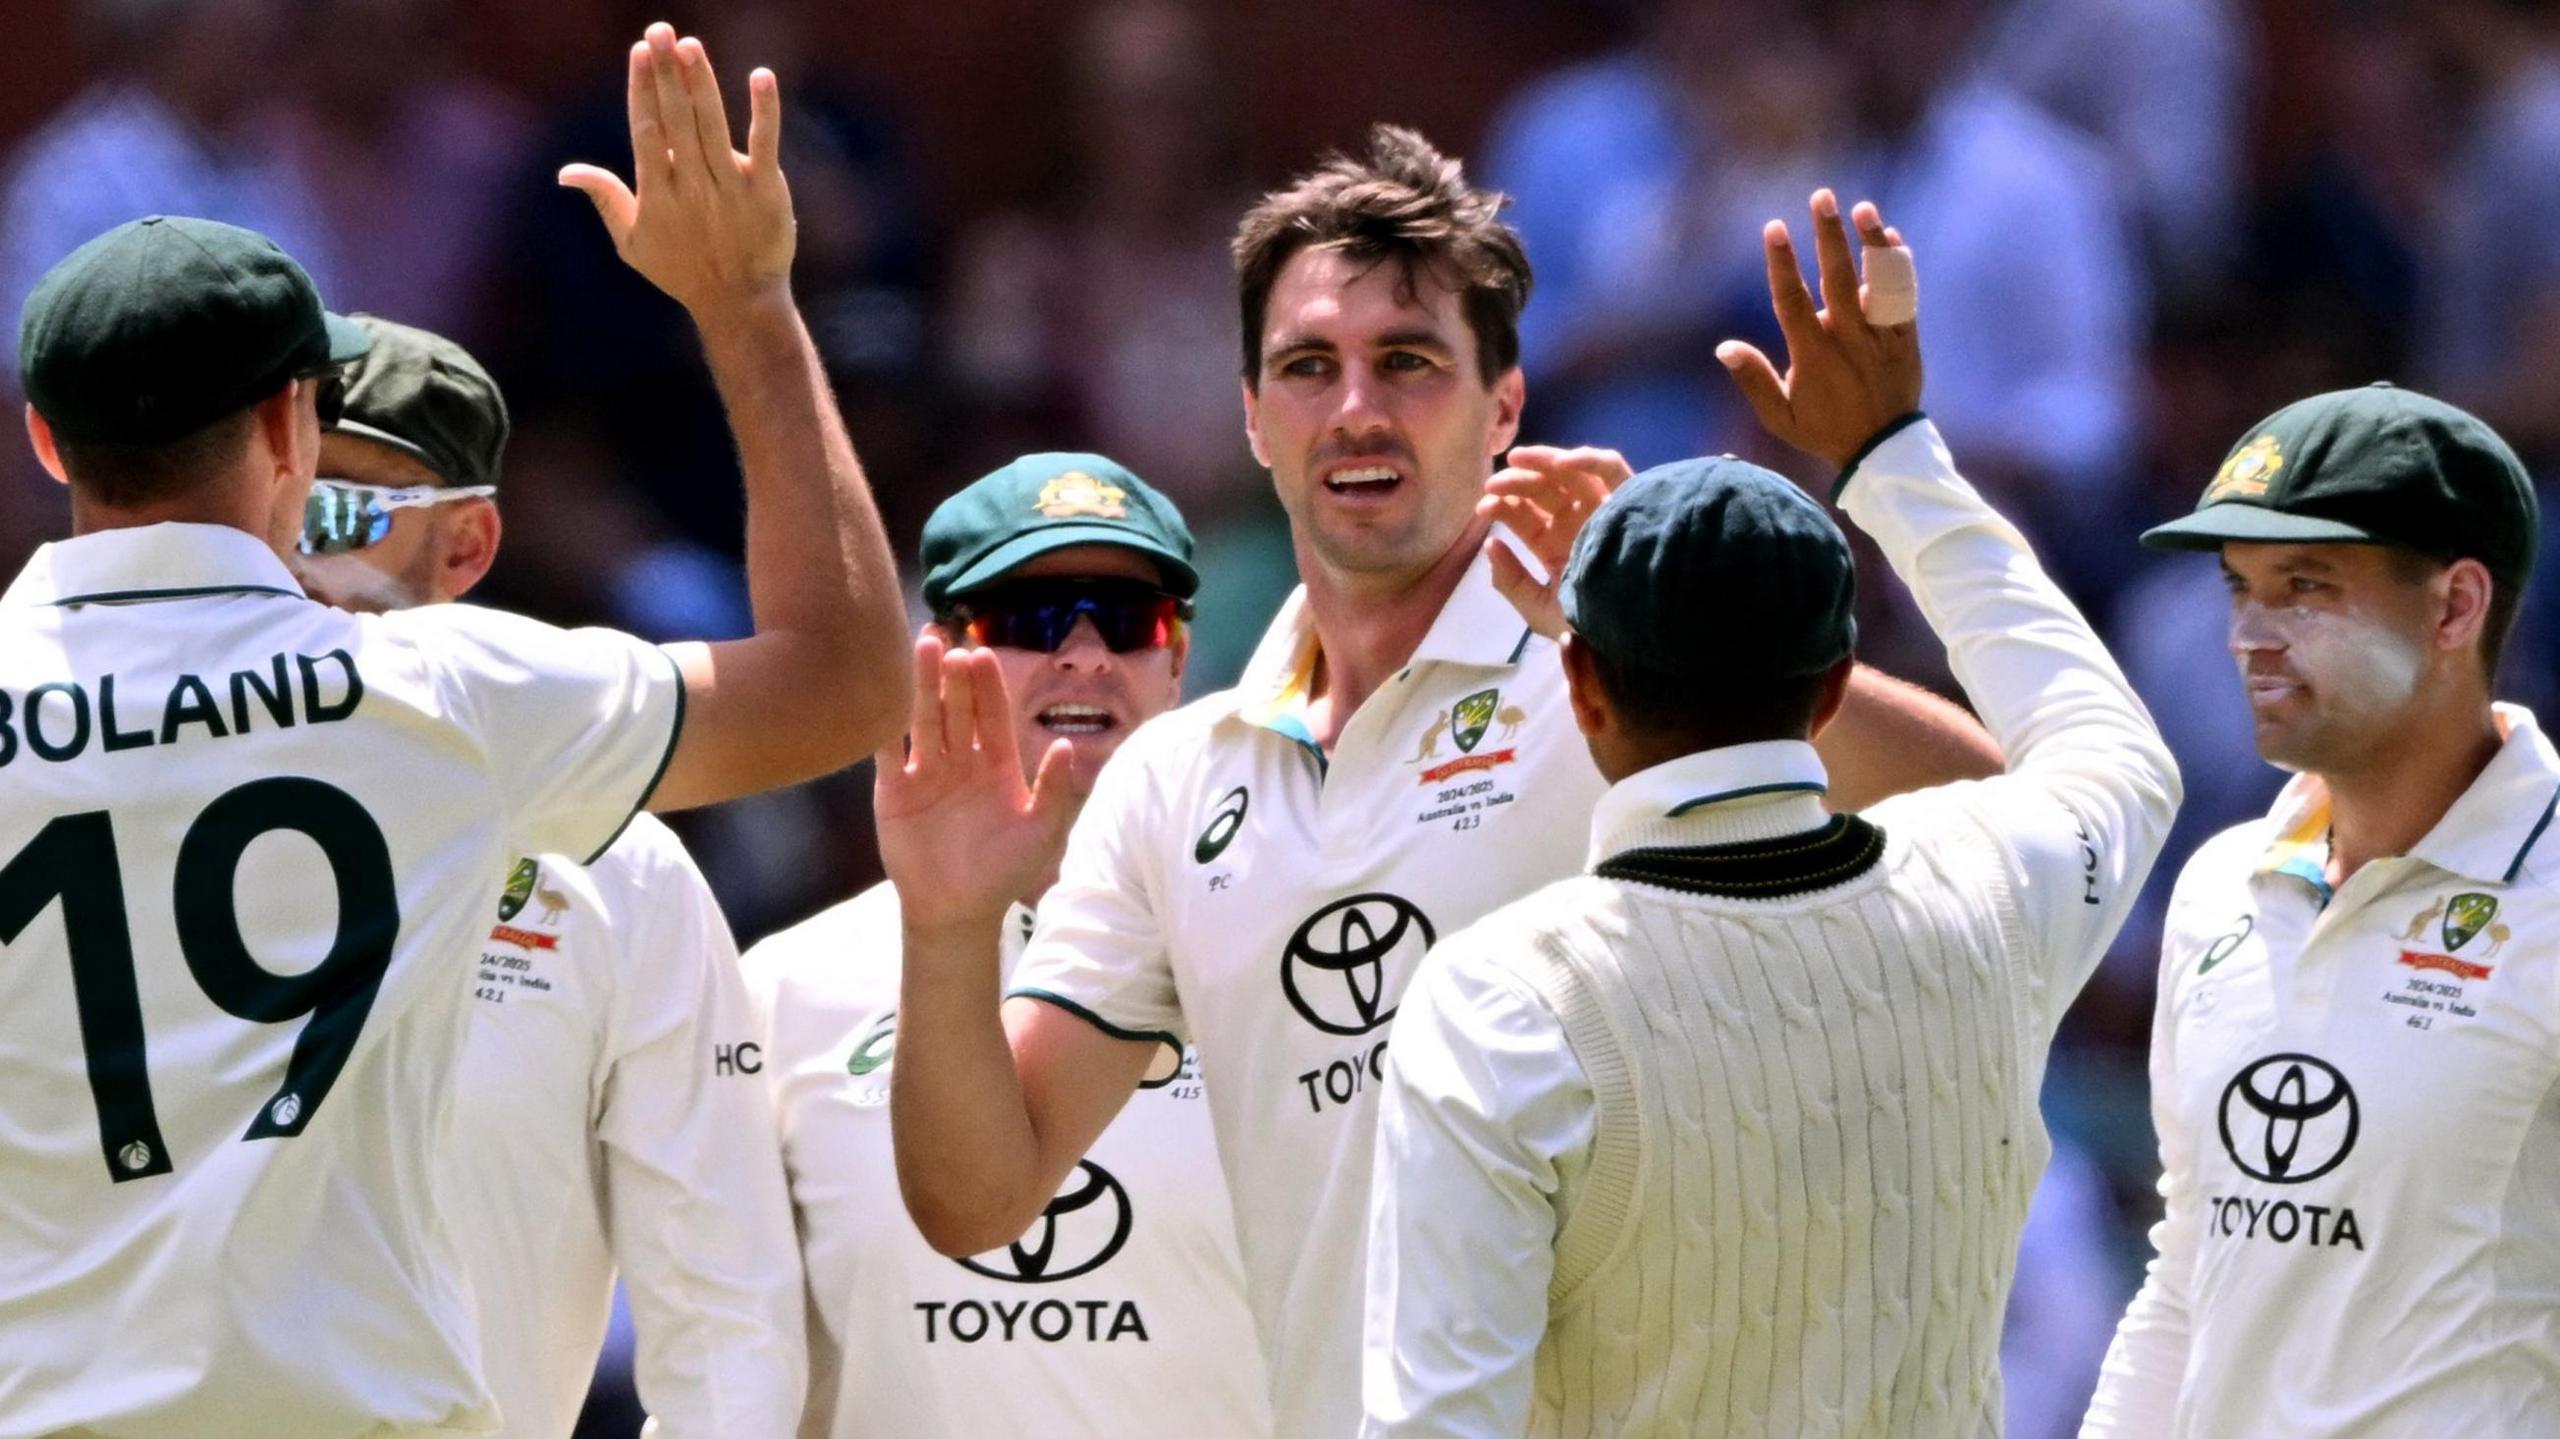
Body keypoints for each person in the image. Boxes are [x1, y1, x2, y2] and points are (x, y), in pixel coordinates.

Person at [881, 124, 2006, 1438]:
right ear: (1252, 413)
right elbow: (980, 1193)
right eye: (1309, 367)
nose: (1355, 407)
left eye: (1408, 362)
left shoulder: (1620, 674)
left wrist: (1678, 624)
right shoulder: (1177, 780)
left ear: (1507, 408)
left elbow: (1992, 815)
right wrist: (948, 929)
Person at [0, 26, 907, 1438]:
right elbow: (850, 681)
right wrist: (746, 306)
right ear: (291, 426)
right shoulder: (441, 698)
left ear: (47, 440)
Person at [1353, 189, 2179, 1436]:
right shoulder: (1992, 890)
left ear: (1577, 681)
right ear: (1842, 681)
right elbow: (2111, 747)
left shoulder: (1499, 997)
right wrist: (1894, 453)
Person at [292, 314, 806, 1438]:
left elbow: (725, 1314)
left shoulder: (622, 868)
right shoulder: (90, 793)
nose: (290, 561)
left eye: (335, 512)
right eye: (253, 517)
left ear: (466, 548)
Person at [745, 452, 1271, 1437]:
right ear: (939, 654)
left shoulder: (1280, 964)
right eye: (1030, 616)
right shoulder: (781, 989)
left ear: (1178, 659)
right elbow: (720, 1363)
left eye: (1126, 617)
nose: (1082, 652)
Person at [2083, 383, 2556, 1435]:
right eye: (2236, 587)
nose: (2249, 633)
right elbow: (2188, 1272)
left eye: (2304, 587)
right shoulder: (2216, 886)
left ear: (2453, 607)